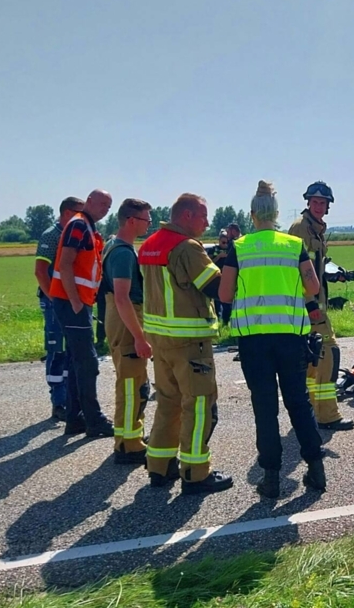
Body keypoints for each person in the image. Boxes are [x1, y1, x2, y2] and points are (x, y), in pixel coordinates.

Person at [219, 180, 326, 498]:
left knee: (265, 408)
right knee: (298, 401)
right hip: (292, 337)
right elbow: (313, 287)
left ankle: (272, 478)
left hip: (254, 341)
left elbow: (225, 293)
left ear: (252, 215)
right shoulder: (293, 246)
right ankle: (316, 470)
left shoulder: (240, 248)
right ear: (277, 214)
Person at [139, 193, 232, 495]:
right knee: (200, 404)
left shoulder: (151, 243)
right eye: (204, 216)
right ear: (188, 216)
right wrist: (232, 265)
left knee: (168, 402)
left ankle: (160, 465)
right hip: (189, 341)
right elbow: (216, 288)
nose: (207, 222)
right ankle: (194, 472)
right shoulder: (188, 248)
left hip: (160, 339)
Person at [49, 189, 114, 437]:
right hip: (72, 302)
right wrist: (76, 302)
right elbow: (65, 263)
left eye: (108, 206)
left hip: (76, 302)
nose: (104, 209)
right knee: (87, 362)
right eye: (101, 204)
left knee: (79, 362)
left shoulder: (85, 226)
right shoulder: (79, 225)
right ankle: (93, 420)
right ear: (89, 202)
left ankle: (76, 419)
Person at [287, 181, 353, 431]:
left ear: (328, 206)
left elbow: (314, 267)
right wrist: (310, 303)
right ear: (308, 203)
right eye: (314, 202)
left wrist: (334, 275)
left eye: (322, 203)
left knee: (314, 361)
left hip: (315, 304)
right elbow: (297, 270)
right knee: (328, 353)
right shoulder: (301, 229)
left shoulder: (315, 229)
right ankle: (327, 415)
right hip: (309, 306)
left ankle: (312, 412)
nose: (318, 206)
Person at [99, 198, 153, 465]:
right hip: (125, 318)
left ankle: (127, 437)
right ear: (132, 220)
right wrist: (140, 338)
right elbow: (122, 297)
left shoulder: (114, 245)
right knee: (133, 384)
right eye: (146, 220)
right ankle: (129, 444)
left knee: (129, 381)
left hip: (118, 317)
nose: (149, 224)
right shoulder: (122, 253)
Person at [33, 196, 83, 421]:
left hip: (72, 300)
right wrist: (53, 299)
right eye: (78, 213)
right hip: (55, 302)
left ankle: (70, 400)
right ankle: (58, 402)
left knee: (72, 352)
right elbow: (40, 271)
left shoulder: (76, 234)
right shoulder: (51, 235)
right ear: (66, 212)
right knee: (57, 351)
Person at [207, 230, 232, 326]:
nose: (225, 244)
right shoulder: (213, 250)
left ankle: (226, 322)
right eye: (223, 242)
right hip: (216, 277)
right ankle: (217, 320)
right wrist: (219, 257)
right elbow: (208, 263)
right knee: (217, 301)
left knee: (227, 301)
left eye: (226, 242)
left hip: (227, 278)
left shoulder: (231, 250)